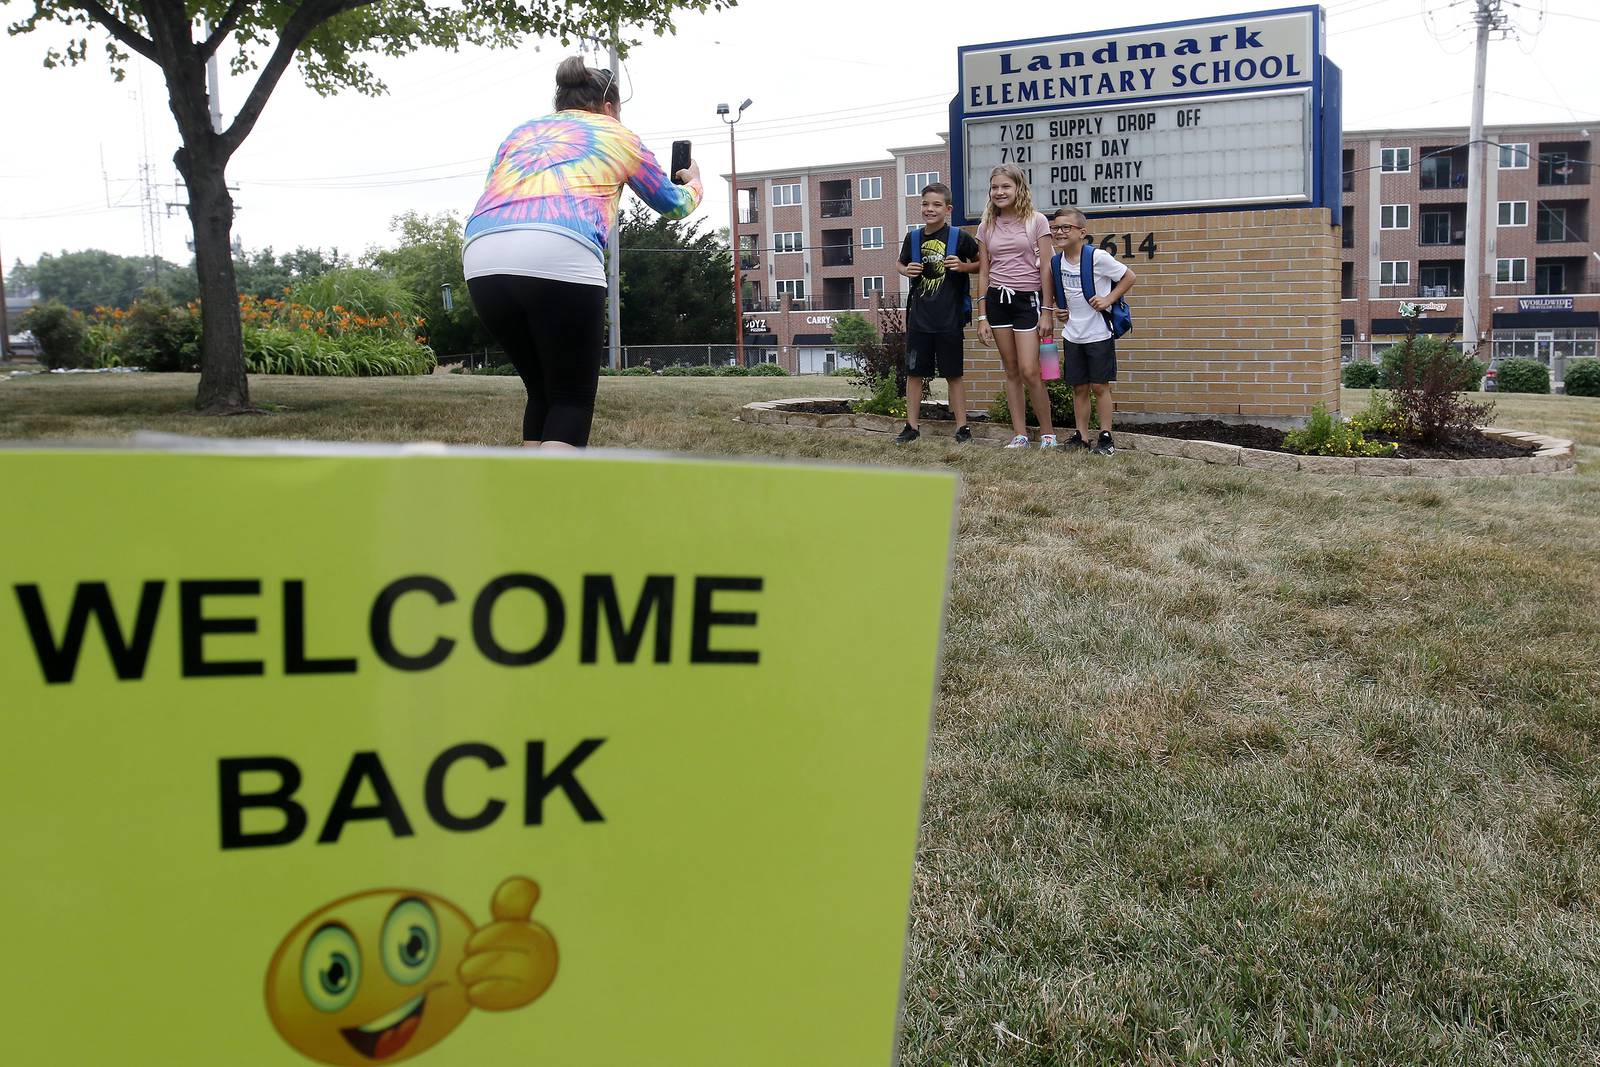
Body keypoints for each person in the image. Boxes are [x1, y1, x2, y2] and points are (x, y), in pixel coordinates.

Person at [462, 57, 701, 448]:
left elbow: (495, 185)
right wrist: (694, 183)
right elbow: (673, 205)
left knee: (542, 391)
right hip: (561, 250)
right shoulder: (616, 133)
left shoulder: (521, 132)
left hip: (483, 256)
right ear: (609, 108)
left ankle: (527, 500)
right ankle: (553, 505)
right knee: (571, 398)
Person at [975, 164, 1057, 449]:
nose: (999, 192)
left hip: (1028, 301)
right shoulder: (986, 226)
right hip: (998, 301)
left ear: (1019, 189)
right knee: (1011, 370)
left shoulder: (1037, 221)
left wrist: (1048, 310)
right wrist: (982, 315)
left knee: (1030, 370)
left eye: (1005, 186)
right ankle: (1020, 435)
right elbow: (984, 271)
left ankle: (1048, 435)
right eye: (995, 187)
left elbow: (1047, 267)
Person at [894, 182, 981, 445]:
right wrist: (904, 270)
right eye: (925, 204)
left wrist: (964, 267)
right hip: (919, 318)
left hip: (949, 318)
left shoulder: (959, 237)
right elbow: (900, 262)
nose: (929, 209)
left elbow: (982, 263)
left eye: (936, 204)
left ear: (948, 209)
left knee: (954, 374)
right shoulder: (914, 238)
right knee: (914, 374)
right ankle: (911, 426)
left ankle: (962, 428)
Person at [1046, 207, 1136, 456]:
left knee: (1100, 386)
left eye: (1066, 227)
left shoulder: (1097, 258)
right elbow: (1062, 293)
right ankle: (1082, 436)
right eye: (1055, 228)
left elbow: (1129, 276)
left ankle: (1105, 437)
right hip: (1072, 334)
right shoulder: (1056, 261)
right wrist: (1060, 310)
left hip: (1098, 333)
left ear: (1082, 232)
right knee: (1079, 387)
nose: (1059, 232)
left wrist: (1108, 299)